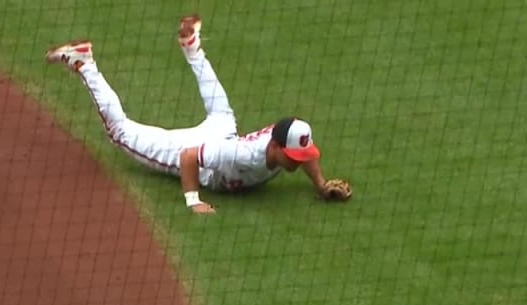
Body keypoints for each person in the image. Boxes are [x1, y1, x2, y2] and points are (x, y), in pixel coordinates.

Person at [44, 14, 351, 215]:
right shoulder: (241, 155)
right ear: (275, 147)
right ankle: (85, 63)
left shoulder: (287, 141)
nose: (297, 162)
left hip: (224, 132)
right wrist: (194, 201)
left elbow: (308, 153)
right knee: (121, 133)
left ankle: (192, 48)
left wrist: (321, 185)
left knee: (221, 111)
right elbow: (190, 156)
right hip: (205, 151)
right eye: (292, 158)